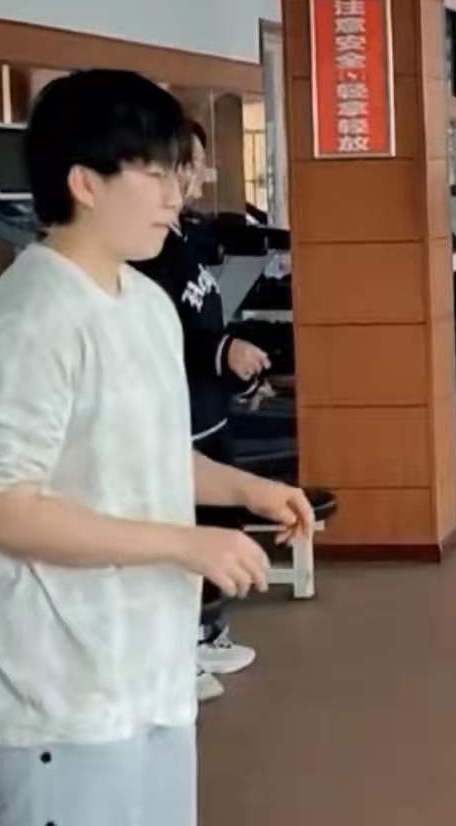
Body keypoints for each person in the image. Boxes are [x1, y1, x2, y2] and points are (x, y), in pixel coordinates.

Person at [0, 69, 314, 826]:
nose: (175, 196)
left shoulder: (145, 303)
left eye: (177, 174)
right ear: (85, 182)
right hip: (58, 691)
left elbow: (148, 455)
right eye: (154, 175)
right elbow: (5, 511)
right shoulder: (30, 321)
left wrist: (248, 491)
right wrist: (185, 543)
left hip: (149, 667)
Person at [128, 120, 279, 698]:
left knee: (216, 521)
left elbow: (197, 322)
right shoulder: (138, 259)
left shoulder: (177, 242)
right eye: (176, 168)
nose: (187, 183)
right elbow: (160, 337)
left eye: (191, 168)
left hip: (205, 411)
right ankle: (175, 646)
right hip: (172, 421)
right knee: (181, 530)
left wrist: (234, 363)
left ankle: (201, 633)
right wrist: (221, 352)